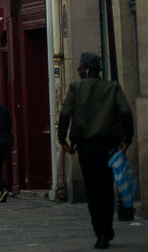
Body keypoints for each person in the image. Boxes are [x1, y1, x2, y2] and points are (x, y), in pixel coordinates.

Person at [58, 52, 135, 249]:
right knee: (106, 188)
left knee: (92, 190)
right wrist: (128, 139)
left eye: (80, 66)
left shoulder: (76, 88)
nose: (78, 70)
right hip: (109, 146)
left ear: (88, 69)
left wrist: (63, 139)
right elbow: (126, 112)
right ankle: (107, 229)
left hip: (86, 146)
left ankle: (100, 231)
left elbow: (65, 113)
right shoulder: (112, 88)